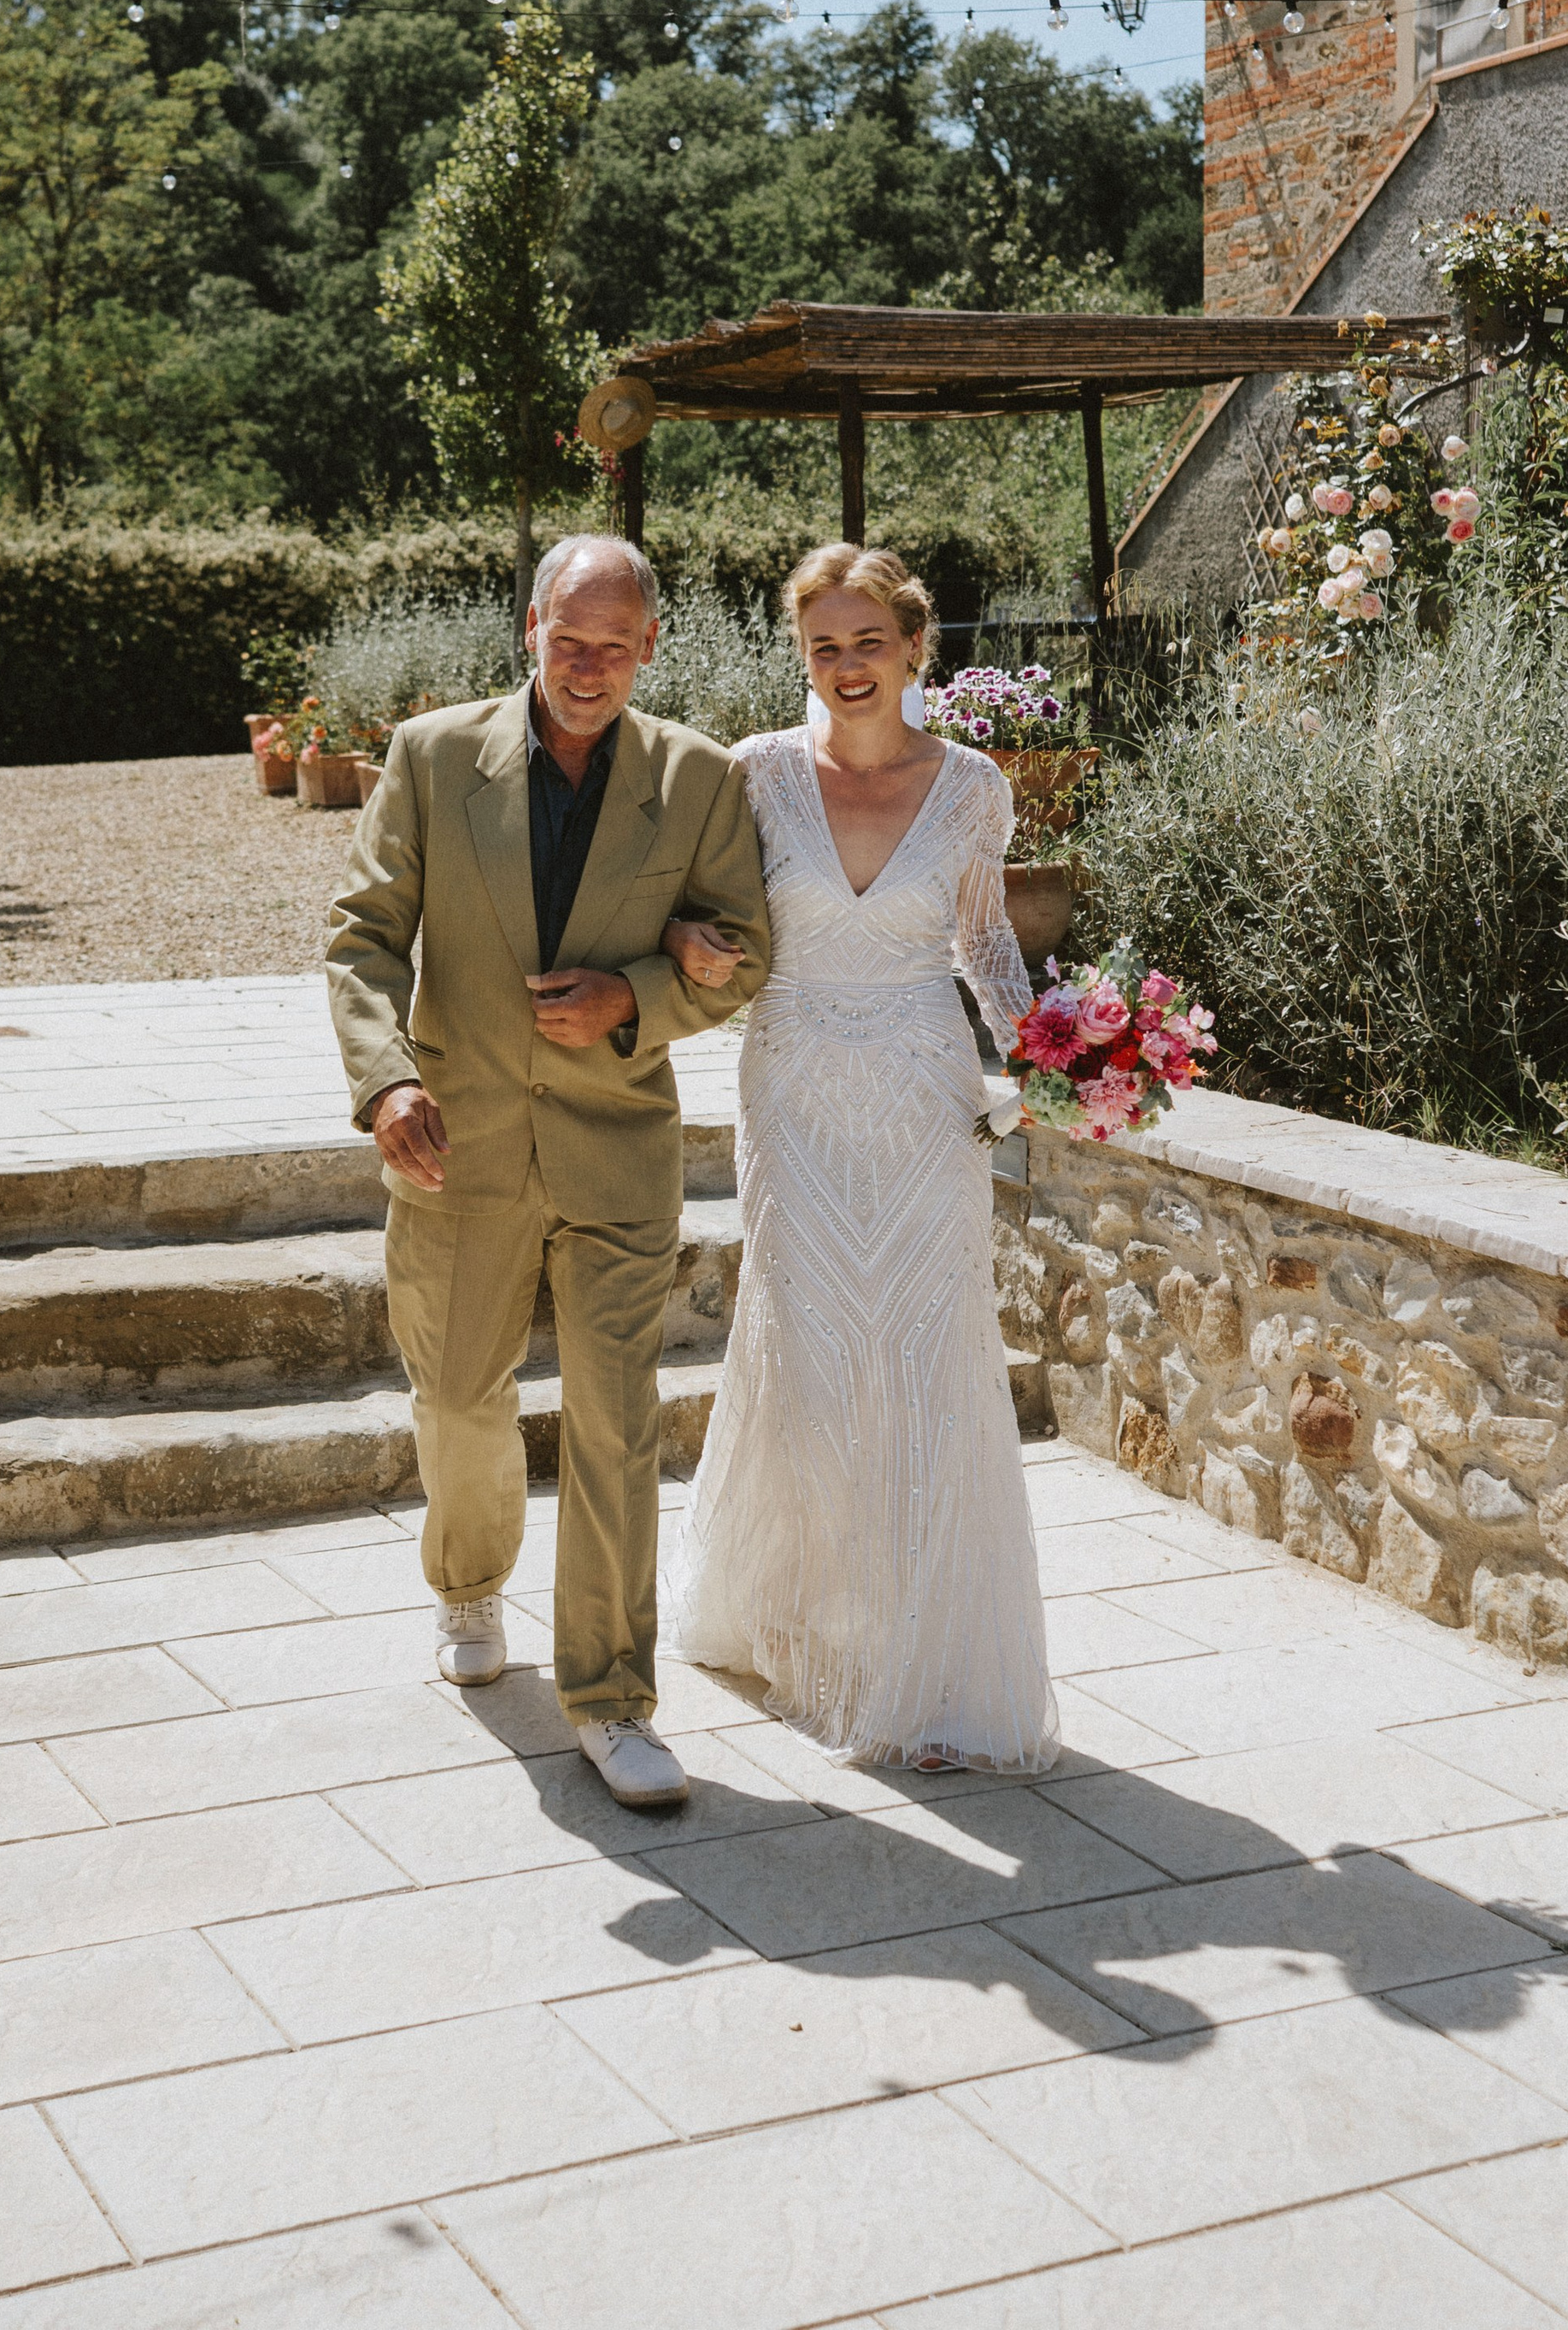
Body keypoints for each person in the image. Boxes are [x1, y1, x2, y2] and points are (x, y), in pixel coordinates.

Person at [325, 535, 769, 1811]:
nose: (589, 669)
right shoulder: (429, 755)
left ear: (650, 648)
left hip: (617, 1150)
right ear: (531, 627)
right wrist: (385, 1081)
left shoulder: (696, 780)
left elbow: (749, 953)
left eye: (614, 648)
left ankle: (614, 1699)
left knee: (618, 1425)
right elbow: (361, 940)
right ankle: (467, 1586)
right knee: (458, 1395)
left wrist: (633, 999)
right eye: (570, 642)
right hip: (449, 1143)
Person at [663, 541, 1057, 1771]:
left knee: (931, 1350)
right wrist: (684, 941)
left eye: (866, 642)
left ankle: (927, 1659)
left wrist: (1053, 1055)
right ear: (803, 654)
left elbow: (986, 944)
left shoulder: (974, 785)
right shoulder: (756, 774)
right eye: (823, 645)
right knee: (814, 1344)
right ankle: (793, 1614)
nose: (846, 665)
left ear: (914, 647)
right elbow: (703, 912)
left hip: (924, 1091)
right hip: (792, 1090)